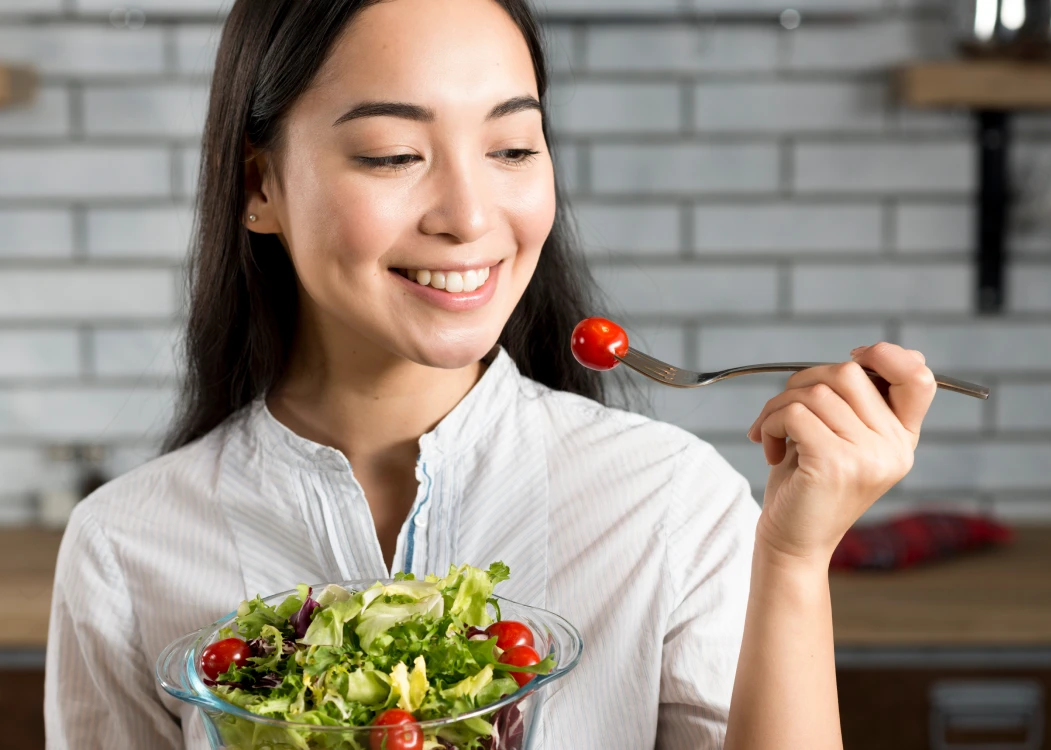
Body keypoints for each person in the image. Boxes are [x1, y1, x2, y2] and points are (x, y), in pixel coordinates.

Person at [43, 0, 937, 748]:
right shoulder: (125, 549)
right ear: (258, 187)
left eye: (512, 149)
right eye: (393, 154)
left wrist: (793, 557)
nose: (470, 217)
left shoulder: (669, 501)